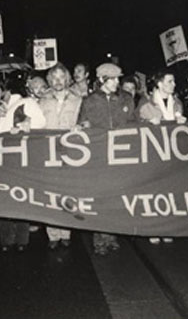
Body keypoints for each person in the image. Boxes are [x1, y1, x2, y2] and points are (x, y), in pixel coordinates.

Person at [77, 63, 134, 255]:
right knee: (99, 199)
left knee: (115, 198)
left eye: (118, 78)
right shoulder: (90, 101)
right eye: (113, 79)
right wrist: (81, 126)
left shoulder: (126, 98)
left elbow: (134, 123)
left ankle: (112, 236)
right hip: (99, 156)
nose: (118, 82)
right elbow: (81, 124)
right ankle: (99, 240)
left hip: (120, 155)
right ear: (102, 80)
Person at [0, 81, 46, 252]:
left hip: (22, 159)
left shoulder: (26, 103)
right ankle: (6, 240)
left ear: (8, 92)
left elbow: (41, 122)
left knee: (21, 198)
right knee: (5, 199)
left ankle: (22, 239)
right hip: (4, 161)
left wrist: (24, 125)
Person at [138, 69, 185, 244]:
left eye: (173, 81)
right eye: (170, 81)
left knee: (169, 190)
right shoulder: (146, 103)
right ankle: (153, 228)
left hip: (170, 153)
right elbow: (134, 125)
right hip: (152, 154)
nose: (173, 85)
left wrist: (183, 122)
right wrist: (147, 123)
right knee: (154, 191)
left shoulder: (177, 103)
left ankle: (167, 228)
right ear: (159, 84)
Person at [39, 63, 82, 249]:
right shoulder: (42, 100)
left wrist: (82, 125)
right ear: (50, 80)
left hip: (68, 152)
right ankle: (53, 234)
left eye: (61, 77)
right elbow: (34, 123)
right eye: (54, 78)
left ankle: (66, 232)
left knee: (67, 191)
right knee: (51, 193)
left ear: (67, 79)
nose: (58, 81)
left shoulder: (77, 99)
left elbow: (84, 120)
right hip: (48, 151)